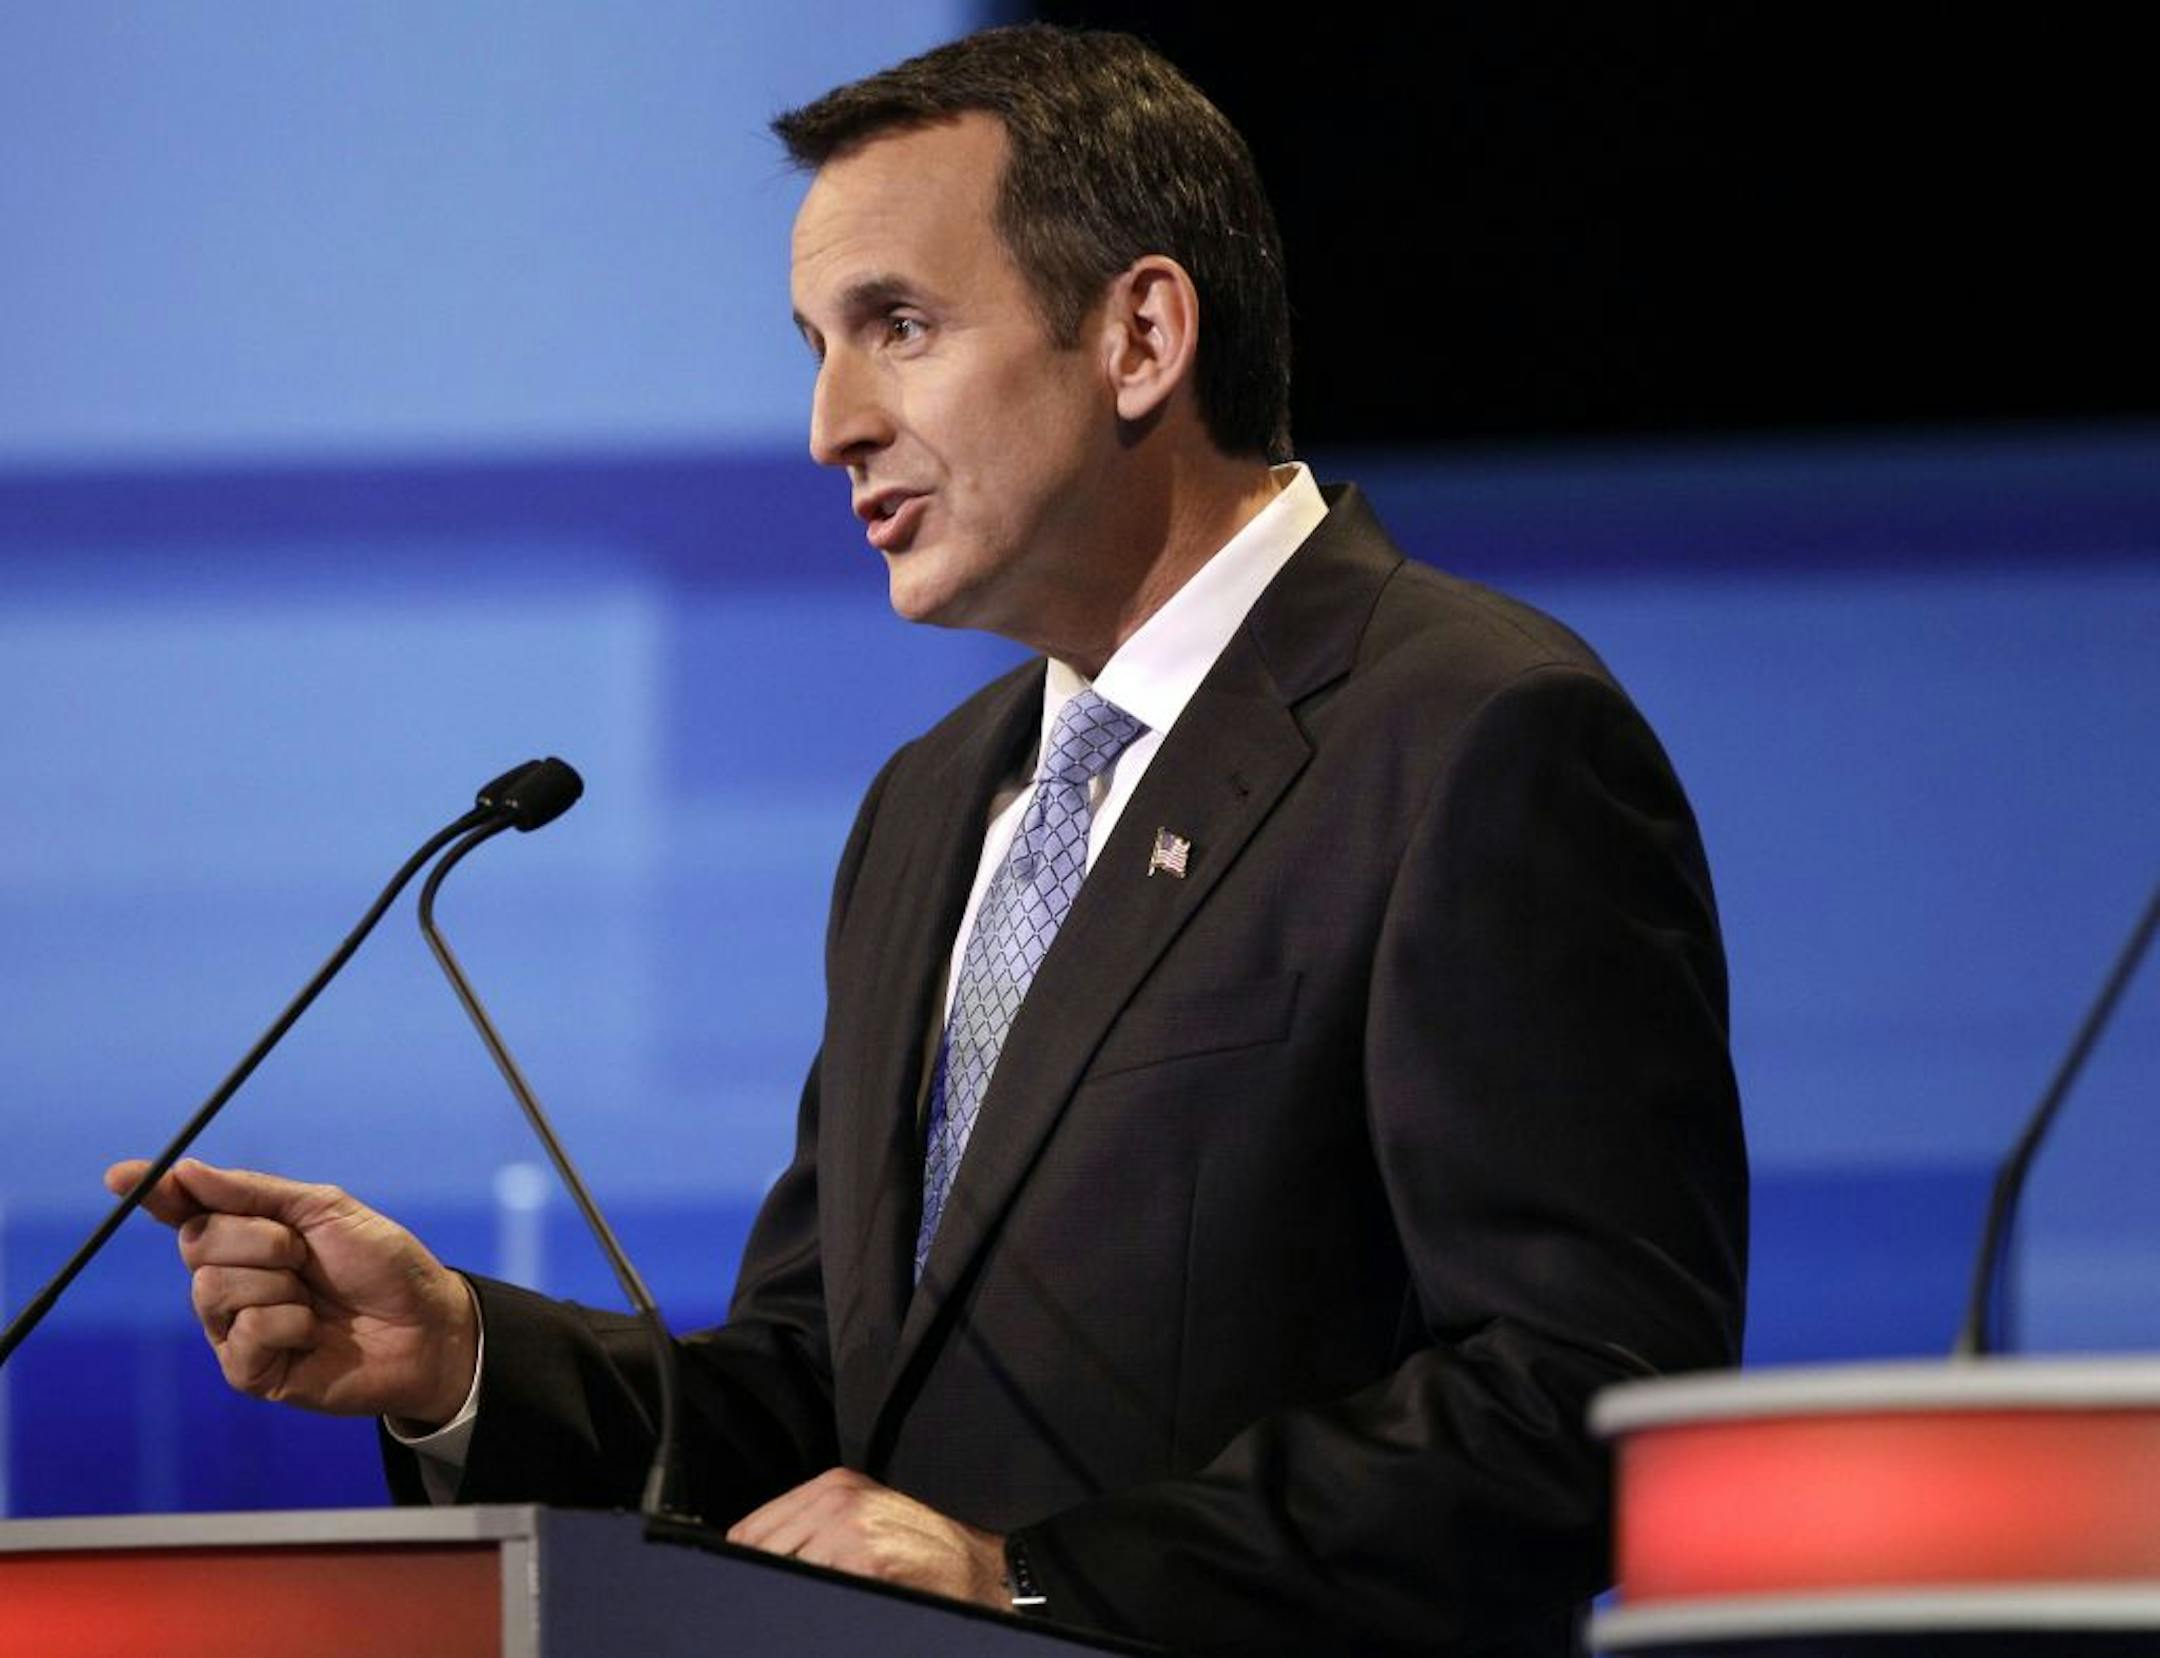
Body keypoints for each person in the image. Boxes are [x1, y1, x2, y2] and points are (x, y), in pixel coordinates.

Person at [111, 25, 1746, 1657]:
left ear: (1141, 335)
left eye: (897, 326)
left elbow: (1587, 1400)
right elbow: (825, 1388)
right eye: (816, 344)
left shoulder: (1473, 733)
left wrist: (1031, 1577)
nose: (831, 423)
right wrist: (465, 1355)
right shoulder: (930, 803)